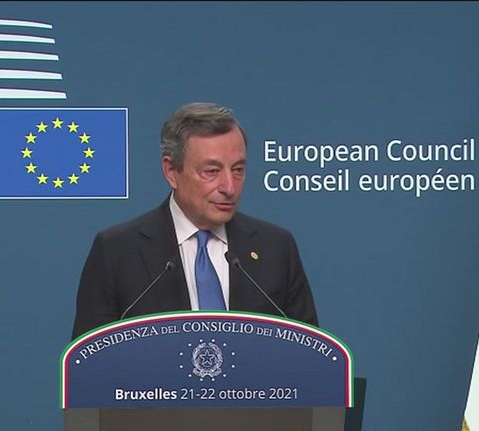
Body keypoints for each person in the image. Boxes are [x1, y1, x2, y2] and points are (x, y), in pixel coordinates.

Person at [71, 103, 318, 339]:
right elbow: (89, 359)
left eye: (238, 170)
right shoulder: (117, 252)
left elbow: (310, 354)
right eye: (211, 171)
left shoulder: (276, 247)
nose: (229, 187)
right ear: (171, 172)